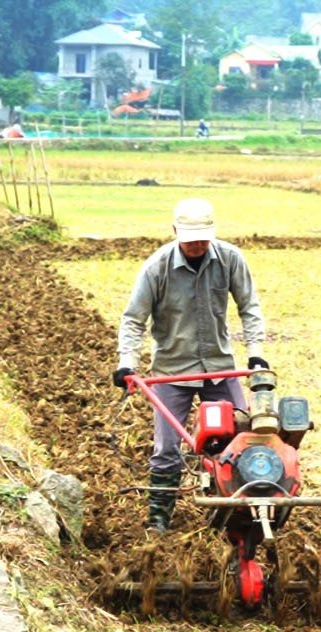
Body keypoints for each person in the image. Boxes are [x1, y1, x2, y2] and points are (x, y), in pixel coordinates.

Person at [112, 198, 268, 534]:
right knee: (167, 449)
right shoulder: (157, 267)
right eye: (190, 237)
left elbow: (249, 308)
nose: (197, 244)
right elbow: (133, 319)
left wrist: (256, 354)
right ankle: (158, 521)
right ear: (175, 232)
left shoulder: (229, 259)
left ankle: (240, 515)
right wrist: (127, 364)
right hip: (173, 371)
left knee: (242, 442)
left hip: (219, 368)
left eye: (203, 237)